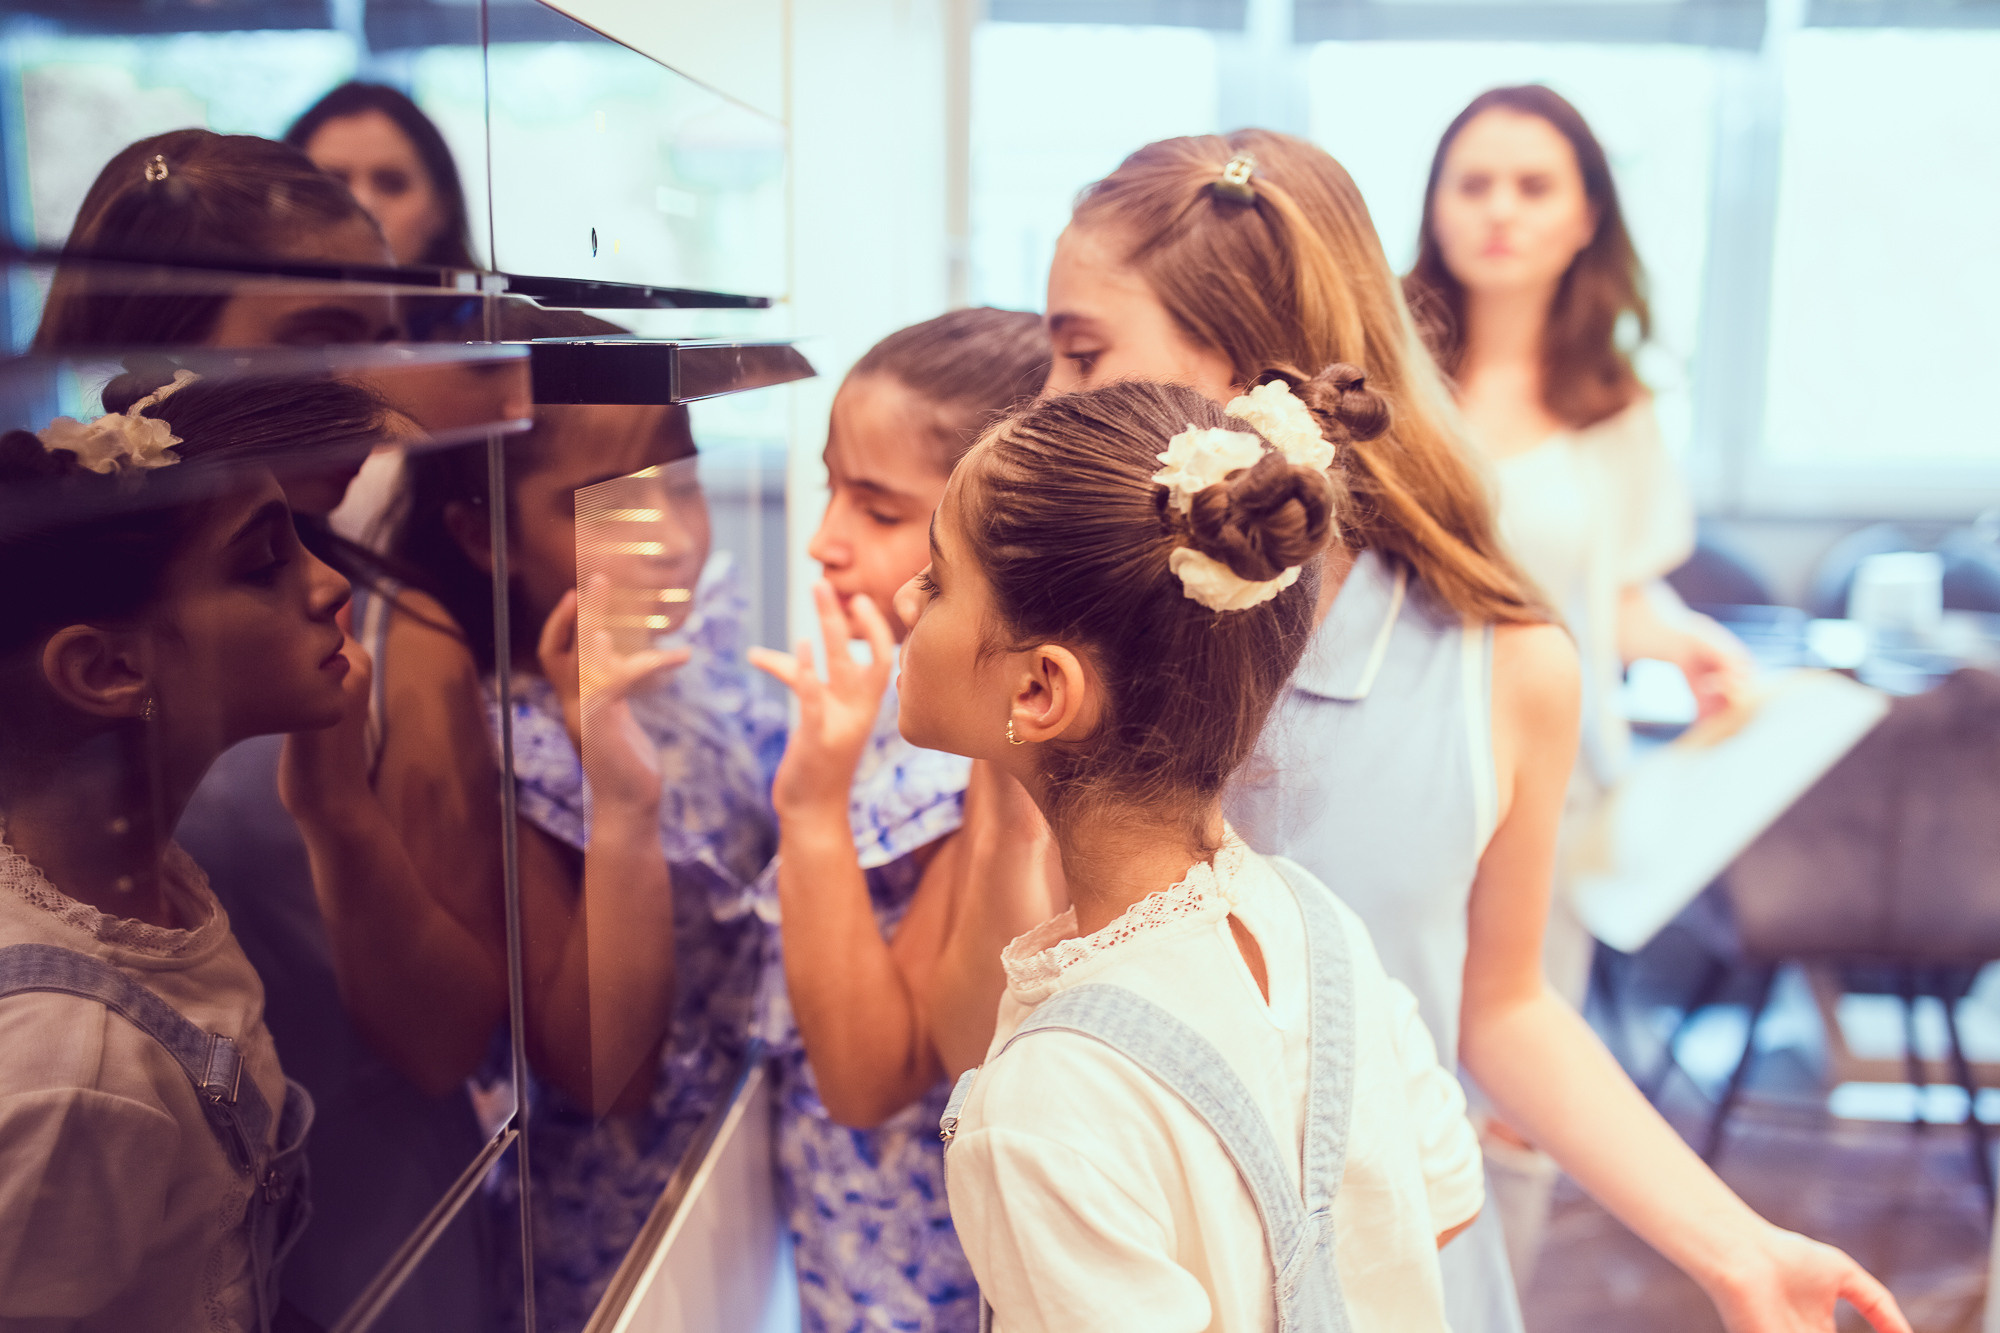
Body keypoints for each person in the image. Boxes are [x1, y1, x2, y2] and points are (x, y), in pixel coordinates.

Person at [1042, 129, 1909, 1333]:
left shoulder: (1504, 670)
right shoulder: (1070, 652)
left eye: (1079, 353)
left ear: (1242, 361)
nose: (1047, 401)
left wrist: (1737, 1249)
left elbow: (1500, 1008)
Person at [36, 129, 504, 1333]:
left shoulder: (399, 636)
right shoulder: (40, 598)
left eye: (380, 338)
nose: (371, 388)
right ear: (149, 350)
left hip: (366, 1228)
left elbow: (448, 1034)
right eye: (316, 343)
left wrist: (339, 807)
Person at [905, 372, 1485, 1332]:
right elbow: (1442, 1202)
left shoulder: (1045, 1106)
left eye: (936, 579)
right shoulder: (1316, 924)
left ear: (1042, 690)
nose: (902, 593)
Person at [388, 304, 779, 1332]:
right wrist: (619, 796)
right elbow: (606, 1064)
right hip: (619, 1244)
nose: (670, 542)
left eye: (682, 489)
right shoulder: (513, 746)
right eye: (604, 509)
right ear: (482, 533)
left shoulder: (695, 647)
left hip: (743, 1164)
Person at [0, 367, 385, 1331]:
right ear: (108, 668)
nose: (331, 583)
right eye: (263, 565)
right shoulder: (74, 1072)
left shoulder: (142, 883)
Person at [744, 308, 1058, 1331]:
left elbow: (867, 1075)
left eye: (877, 512)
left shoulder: (982, 762)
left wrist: (812, 805)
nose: (824, 542)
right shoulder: (903, 706)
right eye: (831, 486)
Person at [1405, 83, 1748, 1002]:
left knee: (1522, 1042)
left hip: (1553, 777)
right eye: (1473, 185)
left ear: (1586, 215)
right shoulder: (1382, 383)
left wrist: (1689, 645)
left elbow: (1611, 593)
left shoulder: (1615, 402)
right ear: (1436, 207)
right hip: (1394, 769)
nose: (1501, 210)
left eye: (1533, 185)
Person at [285, 82, 480, 271]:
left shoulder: (491, 304)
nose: (362, 203)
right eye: (331, 186)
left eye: (392, 185)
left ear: (442, 209)